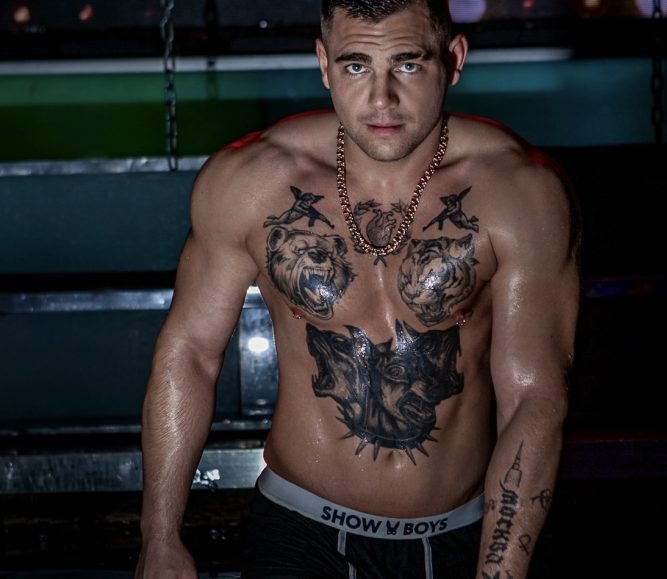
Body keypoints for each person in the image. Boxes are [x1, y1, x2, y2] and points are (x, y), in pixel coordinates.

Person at [135, 0, 580, 577]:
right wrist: (159, 536)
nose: (381, 99)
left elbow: (533, 397)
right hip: (298, 535)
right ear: (324, 64)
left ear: (454, 59)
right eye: (355, 66)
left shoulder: (519, 191)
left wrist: (501, 571)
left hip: (458, 537)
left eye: (408, 65)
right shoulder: (254, 182)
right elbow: (190, 352)